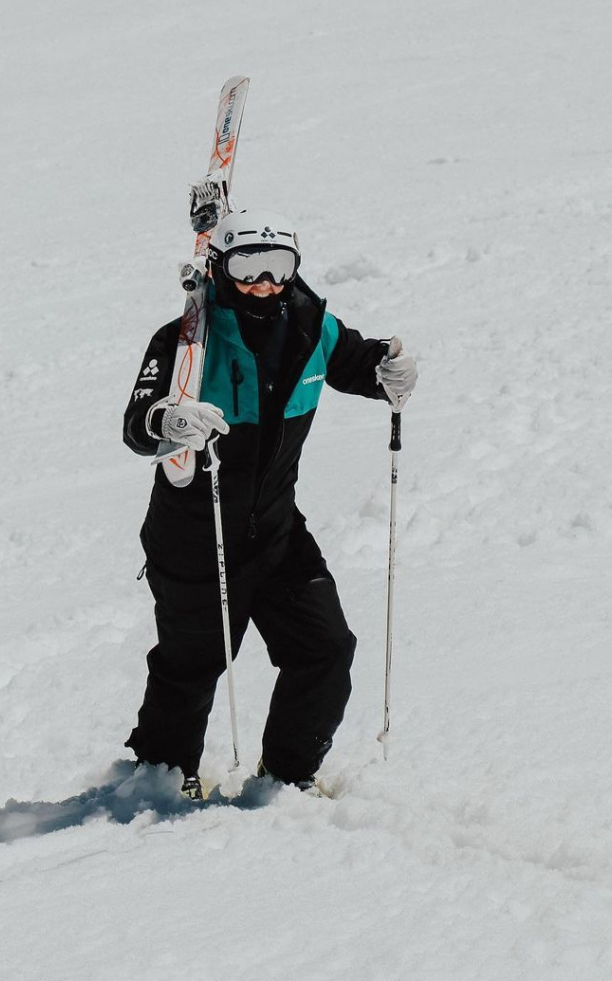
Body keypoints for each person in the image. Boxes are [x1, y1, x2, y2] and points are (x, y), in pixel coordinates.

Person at [122, 209, 418, 799]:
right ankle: (157, 778)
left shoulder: (313, 327)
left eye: (278, 267)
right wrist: (169, 420)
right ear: (220, 268)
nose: (265, 283)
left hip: (275, 529)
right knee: (193, 664)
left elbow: (359, 363)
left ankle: (287, 777)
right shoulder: (184, 338)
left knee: (326, 649)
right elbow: (138, 423)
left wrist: (390, 370)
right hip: (194, 531)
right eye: (248, 267)